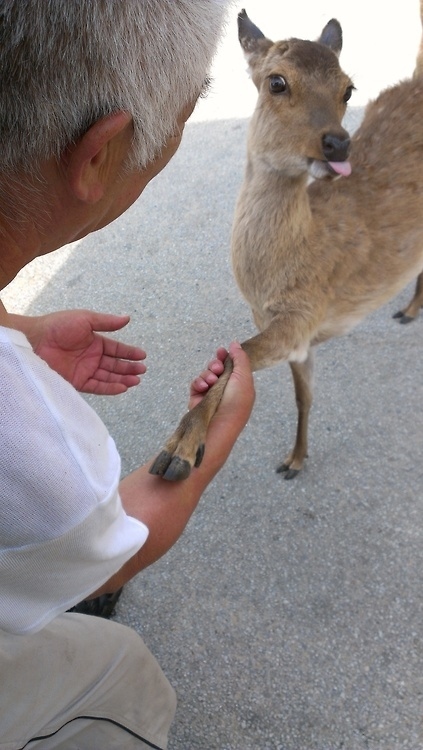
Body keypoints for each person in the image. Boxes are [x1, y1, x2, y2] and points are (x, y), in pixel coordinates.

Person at [0, 2, 255, 749]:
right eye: (190, 105)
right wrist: (213, 426)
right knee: (116, 668)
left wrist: (23, 329)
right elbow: (118, 545)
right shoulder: (26, 442)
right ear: (98, 157)